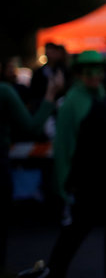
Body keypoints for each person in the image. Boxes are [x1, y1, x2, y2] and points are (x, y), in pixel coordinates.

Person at [39, 50, 106, 278]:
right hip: (86, 181)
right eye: (89, 70)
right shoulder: (72, 102)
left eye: (99, 70)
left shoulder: (101, 95)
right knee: (74, 234)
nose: (96, 75)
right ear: (79, 74)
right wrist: (62, 184)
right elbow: (62, 146)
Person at [0, 59, 63, 274]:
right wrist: (50, 94)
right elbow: (31, 127)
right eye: (9, 68)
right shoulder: (5, 91)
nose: (13, 73)